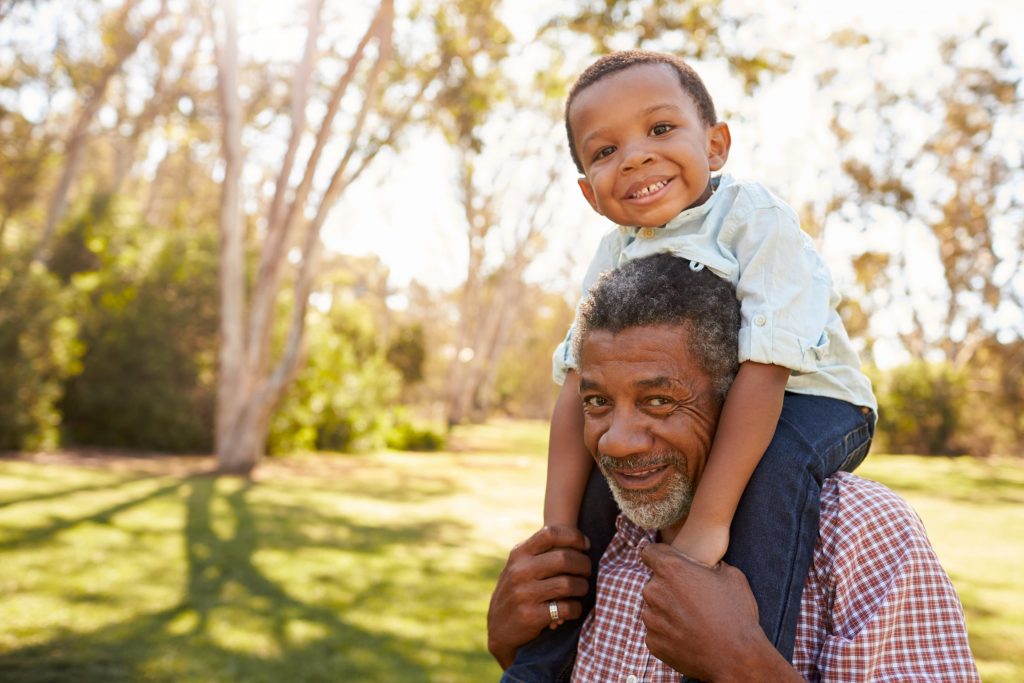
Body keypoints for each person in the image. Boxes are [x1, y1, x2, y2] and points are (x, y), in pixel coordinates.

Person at [490, 253, 979, 682]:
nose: (617, 442)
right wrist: (513, 647)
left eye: (659, 400)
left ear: (736, 398)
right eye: (597, 401)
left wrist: (740, 663)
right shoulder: (602, 532)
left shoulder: (860, 532)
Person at [540, 49, 877, 666]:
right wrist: (556, 536)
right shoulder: (613, 252)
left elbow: (766, 370)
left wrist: (707, 525)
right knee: (599, 476)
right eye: (605, 150)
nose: (636, 155)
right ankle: (543, 664)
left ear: (716, 145)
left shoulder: (753, 220)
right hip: (717, 403)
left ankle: (739, 653)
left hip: (814, 400)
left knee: (772, 474)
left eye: (660, 129)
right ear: (590, 192)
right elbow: (574, 386)